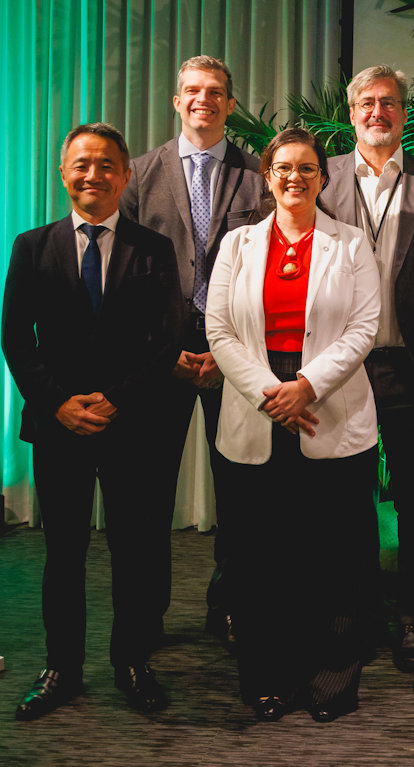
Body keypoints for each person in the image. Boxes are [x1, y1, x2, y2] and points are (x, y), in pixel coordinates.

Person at [3, 123, 183, 719]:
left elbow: (166, 342)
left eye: (107, 164)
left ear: (126, 176)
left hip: (132, 426)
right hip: (58, 427)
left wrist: (114, 399)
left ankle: (132, 662)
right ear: (64, 173)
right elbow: (16, 338)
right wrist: (57, 403)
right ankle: (61, 667)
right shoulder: (31, 247)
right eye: (82, 163)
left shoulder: (154, 248)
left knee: (134, 551)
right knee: (64, 553)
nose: (94, 174)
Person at [205, 127, 381, 723]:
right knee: (260, 557)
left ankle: (332, 680)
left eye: (307, 168)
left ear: (323, 178)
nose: (295, 177)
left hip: (328, 401)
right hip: (255, 401)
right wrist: (269, 393)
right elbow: (219, 330)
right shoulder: (237, 244)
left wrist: (306, 386)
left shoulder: (350, 243)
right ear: (267, 175)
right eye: (283, 167)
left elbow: (364, 327)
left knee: (335, 557)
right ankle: (268, 676)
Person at [321, 64, 414, 674]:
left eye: (389, 103)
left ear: (405, 114)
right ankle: (353, 616)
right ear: (351, 113)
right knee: (344, 500)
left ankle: (413, 616)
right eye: (367, 103)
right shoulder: (320, 177)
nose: (377, 112)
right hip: (339, 368)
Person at [120, 54, 264, 643]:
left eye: (215, 91)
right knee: (149, 492)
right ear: (177, 101)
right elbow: (122, 271)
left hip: (234, 352)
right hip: (160, 356)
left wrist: (224, 349)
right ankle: (146, 613)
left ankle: (229, 607)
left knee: (239, 493)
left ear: (231, 104)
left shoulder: (259, 174)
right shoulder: (137, 173)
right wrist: (160, 352)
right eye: (192, 90)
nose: (203, 99)